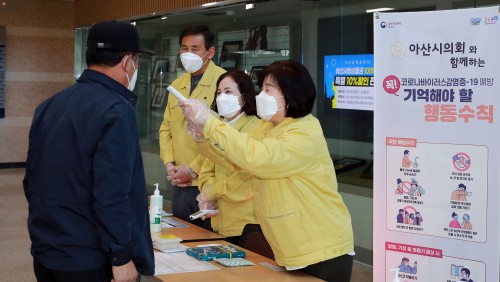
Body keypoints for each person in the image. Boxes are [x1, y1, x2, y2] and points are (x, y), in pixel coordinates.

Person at [179, 60, 354, 281]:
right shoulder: (267, 126)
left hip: (321, 247)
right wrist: (203, 136)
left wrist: (211, 124)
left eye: (268, 90)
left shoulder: (305, 132)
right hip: (289, 245)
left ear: (290, 96)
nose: (261, 96)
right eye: (262, 89)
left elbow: (258, 158)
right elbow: (236, 161)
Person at [23, 21, 154, 282]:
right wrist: (122, 256)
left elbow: (32, 180)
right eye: (137, 61)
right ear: (128, 61)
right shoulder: (116, 110)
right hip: (89, 259)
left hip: (48, 250)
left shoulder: (50, 105)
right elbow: (112, 192)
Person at [158, 25, 226, 229]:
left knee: (206, 243)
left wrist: (193, 170)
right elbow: (166, 128)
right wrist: (170, 164)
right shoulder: (177, 84)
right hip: (180, 182)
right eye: (184, 48)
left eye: (195, 49)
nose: (188, 54)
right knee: (181, 239)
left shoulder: (223, 83)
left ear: (210, 52)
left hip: (208, 183)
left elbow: (224, 136)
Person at [197, 70, 261, 245]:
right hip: (219, 220)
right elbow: (207, 169)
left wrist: (212, 192)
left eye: (228, 92)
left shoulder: (255, 128)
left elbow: (245, 177)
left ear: (244, 96)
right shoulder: (217, 128)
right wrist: (207, 195)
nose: (221, 97)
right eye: (218, 93)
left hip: (246, 223)